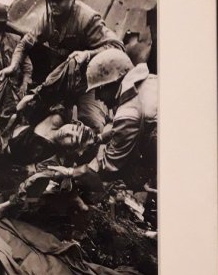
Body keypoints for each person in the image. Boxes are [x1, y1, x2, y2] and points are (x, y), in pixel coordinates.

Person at [0, 0, 124, 132]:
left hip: (87, 81)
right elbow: (24, 44)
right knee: (39, 118)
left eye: (58, 0)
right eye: (50, 1)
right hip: (60, 81)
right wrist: (13, 65)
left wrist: (88, 54)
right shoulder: (46, 18)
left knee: (92, 123)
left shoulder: (87, 18)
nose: (53, 5)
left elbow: (116, 47)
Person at [48, 49, 158, 192]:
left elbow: (109, 165)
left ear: (111, 82)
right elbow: (128, 129)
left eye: (99, 90)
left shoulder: (127, 113)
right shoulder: (150, 81)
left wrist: (71, 172)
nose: (98, 98)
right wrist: (99, 138)